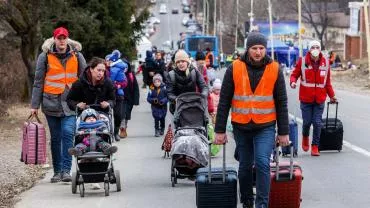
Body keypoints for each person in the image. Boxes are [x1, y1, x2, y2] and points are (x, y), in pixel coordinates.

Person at [213, 32, 290, 208]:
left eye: (261, 48)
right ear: (248, 49)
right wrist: (219, 131)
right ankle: (247, 200)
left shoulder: (275, 69)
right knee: (245, 165)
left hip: (266, 126)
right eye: (254, 48)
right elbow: (224, 100)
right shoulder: (235, 68)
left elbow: (281, 102)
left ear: (266, 49)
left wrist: (284, 132)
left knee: (263, 162)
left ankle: (261, 204)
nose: (258, 52)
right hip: (241, 126)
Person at [30, 27, 87, 183]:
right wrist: (34, 105)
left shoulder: (78, 56)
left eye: (64, 38)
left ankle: (66, 171)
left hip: (71, 103)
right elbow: (38, 82)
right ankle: (57, 171)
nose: (61, 41)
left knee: (68, 134)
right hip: (50, 103)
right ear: (54, 39)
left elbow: (85, 80)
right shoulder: (45, 57)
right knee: (55, 138)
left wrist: (87, 100)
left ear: (67, 39)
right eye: (59, 38)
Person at [290, 40, 337, 156]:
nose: (315, 49)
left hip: (320, 99)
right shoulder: (302, 61)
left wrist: (332, 96)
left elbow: (327, 83)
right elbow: (294, 75)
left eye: (317, 47)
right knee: (306, 122)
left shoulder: (325, 63)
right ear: (309, 49)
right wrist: (293, 82)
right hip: (306, 99)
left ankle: (315, 146)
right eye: (313, 47)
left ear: (320, 49)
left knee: (317, 123)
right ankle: (305, 136)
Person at [166, 49, 209, 114]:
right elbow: (169, 93)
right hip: (177, 108)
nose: (180, 64)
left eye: (183, 61)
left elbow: (204, 86)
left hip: (193, 106)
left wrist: (203, 95)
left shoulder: (194, 72)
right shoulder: (171, 75)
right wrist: (176, 99)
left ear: (187, 62)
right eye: (178, 62)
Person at [106, 50, 128, 141]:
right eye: (106, 60)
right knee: (106, 115)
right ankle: (107, 133)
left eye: (108, 60)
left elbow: (124, 82)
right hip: (106, 95)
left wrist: (117, 85)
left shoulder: (119, 70)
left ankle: (116, 132)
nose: (107, 62)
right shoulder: (104, 70)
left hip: (118, 95)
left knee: (118, 115)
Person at [120, 60, 140, 138]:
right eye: (123, 67)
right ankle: (122, 128)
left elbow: (135, 88)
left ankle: (124, 128)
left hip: (129, 99)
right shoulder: (118, 74)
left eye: (126, 67)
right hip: (120, 98)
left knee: (127, 115)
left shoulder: (131, 75)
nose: (124, 68)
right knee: (122, 114)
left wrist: (136, 100)